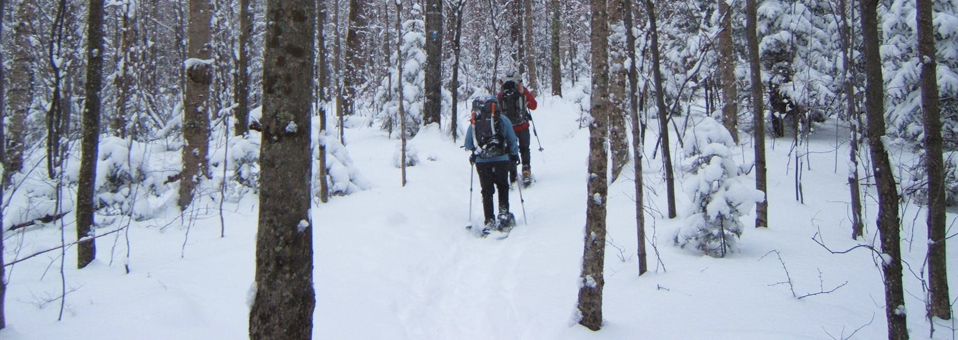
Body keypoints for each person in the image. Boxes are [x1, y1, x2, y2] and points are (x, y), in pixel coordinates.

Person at [465, 96, 520, 232]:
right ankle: (503, 214)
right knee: (503, 186)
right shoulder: (502, 119)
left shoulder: (475, 122)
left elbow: (468, 143)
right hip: (501, 159)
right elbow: (512, 139)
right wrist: (514, 155)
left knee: (487, 191)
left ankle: (489, 221)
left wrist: (476, 152)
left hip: (482, 162)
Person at [496, 72, 538, 186]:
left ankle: (512, 173)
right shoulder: (522, 92)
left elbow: (496, 110)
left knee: (510, 150)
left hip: (508, 128)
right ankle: (526, 170)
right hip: (523, 126)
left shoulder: (501, 95)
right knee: (525, 149)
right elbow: (533, 106)